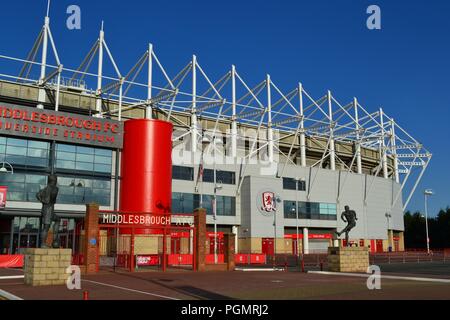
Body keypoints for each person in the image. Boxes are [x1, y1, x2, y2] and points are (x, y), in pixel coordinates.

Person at [36, 174, 60, 248]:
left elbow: (37, 194)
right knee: (46, 227)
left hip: (48, 208)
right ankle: (43, 244)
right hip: (48, 209)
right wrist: (47, 201)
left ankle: (55, 241)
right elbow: (53, 198)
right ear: (54, 181)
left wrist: (42, 200)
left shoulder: (45, 189)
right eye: (56, 180)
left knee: (57, 219)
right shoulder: (54, 188)